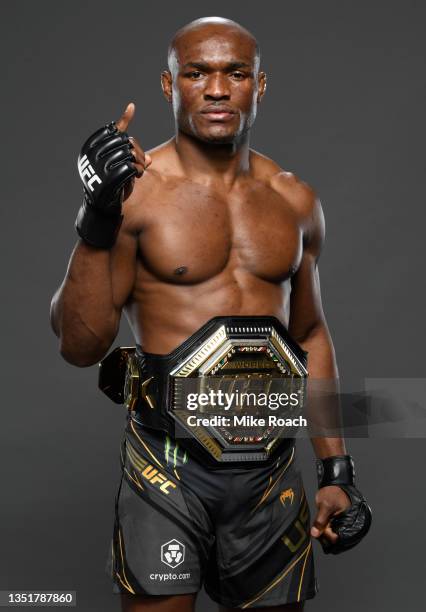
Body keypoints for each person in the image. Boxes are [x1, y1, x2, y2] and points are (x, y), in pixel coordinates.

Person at [50, 16, 371, 612]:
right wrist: (96, 219)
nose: (218, 89)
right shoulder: (136, 194)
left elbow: (309, 334)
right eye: (196, 73)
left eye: (236, 73)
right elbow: (79, 344)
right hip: (167, 470)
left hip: (269, 471)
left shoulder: (295, 199)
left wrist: (336, 471)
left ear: (260, 85)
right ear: (170, 87)